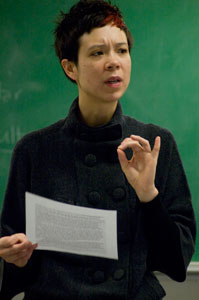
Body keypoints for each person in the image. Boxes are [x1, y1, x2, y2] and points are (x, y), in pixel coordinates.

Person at [0, 0, 196, 299]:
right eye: (97, 53)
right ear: (70, 68)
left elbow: (176, 263)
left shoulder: (155, 144)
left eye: (122, 50)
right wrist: (14, 255)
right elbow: (15, 256)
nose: (113, 61)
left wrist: (148, 196)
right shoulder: (35, 149)